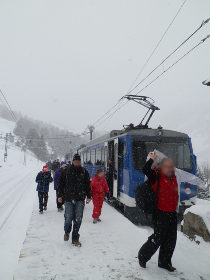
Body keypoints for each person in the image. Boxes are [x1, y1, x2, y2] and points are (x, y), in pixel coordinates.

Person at [138, 151, 205, 272]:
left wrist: (202, 184)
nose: (170, 168)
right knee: (158, 238)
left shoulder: (176, 175)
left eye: (171, 166)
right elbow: (145, 169)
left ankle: (164, 262)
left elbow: (190, 177)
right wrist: (152, 159)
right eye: (167, 166)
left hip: (172, 213)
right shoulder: (155, 176)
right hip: (160, 213)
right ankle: (143, 256)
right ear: (160, 167)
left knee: (170, 239)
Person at [57, 154, 91, 247]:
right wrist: (59, 195)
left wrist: (89, 196)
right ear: (72, 161)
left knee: (78, 219)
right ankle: (67, 232)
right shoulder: (66, 171)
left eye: (78, 162)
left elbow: (88, 184)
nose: (77, 163)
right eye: (75, 161)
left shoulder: (84, 172)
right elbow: (61, 184)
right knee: (68, 218)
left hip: (80, 199)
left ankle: (75, 238)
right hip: (68, 198)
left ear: (80, 162)